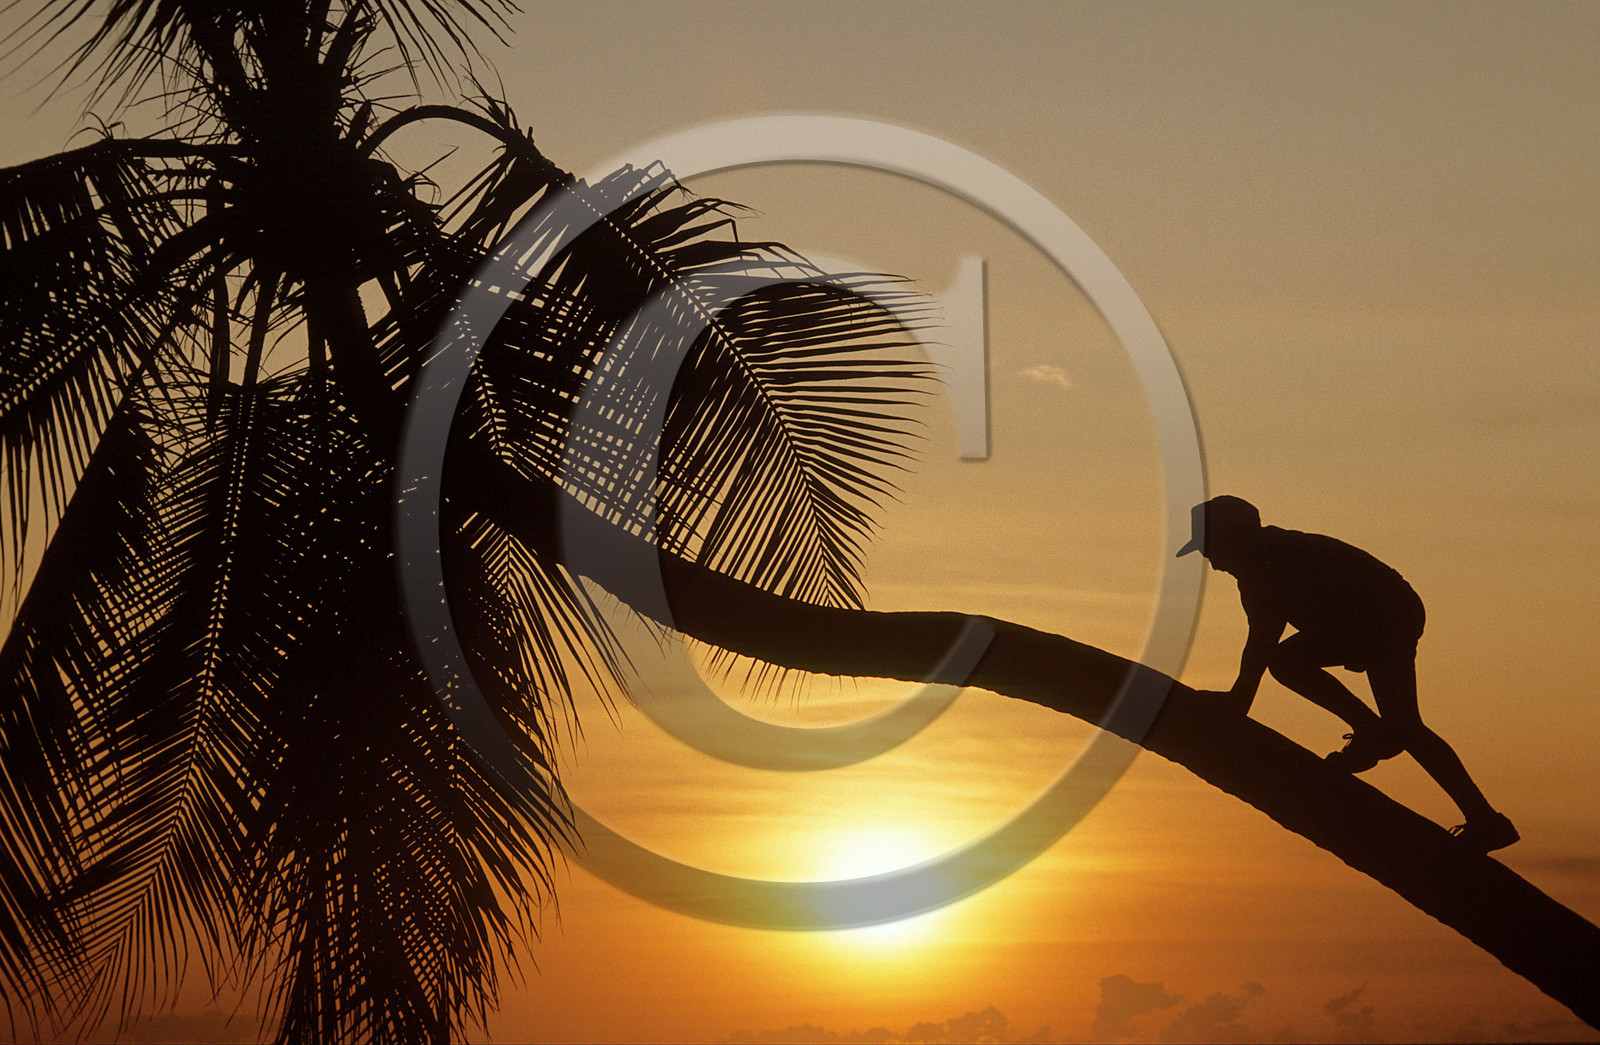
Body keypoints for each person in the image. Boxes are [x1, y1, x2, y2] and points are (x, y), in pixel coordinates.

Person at [1178, 495, 1519, 854]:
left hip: (1381, 613)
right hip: (1388, 610)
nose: (1210, 562)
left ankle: (1373, 734)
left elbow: (1262, 641)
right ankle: (1485, 819)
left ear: (1231, 537)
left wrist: (1238, 702)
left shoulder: (1267, 565)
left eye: (1209, 548)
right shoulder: (1266, 559)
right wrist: (1239, 701)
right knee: (1404, 724)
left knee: (1288, 663)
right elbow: (1265, 637)